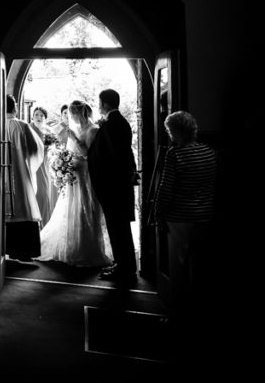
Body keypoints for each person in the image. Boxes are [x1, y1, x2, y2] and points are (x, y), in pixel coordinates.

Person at [152, 111, 217, 327]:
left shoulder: (175, 155)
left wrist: (158, 213)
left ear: (176, 132)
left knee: (177, 268)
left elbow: (165, 189)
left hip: (180, 217)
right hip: (205, 216)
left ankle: (177, 315)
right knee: (201, 267)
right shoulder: (210, 153)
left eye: (170, 131)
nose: (169, 135)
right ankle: (201, 312)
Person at [37, 101, 113, 267]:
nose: (71, 118)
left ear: (81, 113)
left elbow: (89, 154)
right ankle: (70, 244)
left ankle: (86, 247)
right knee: (69, 207)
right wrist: (63, 160)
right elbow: (73, 151)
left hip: (85, 174)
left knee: (84, 206)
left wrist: (73, 138)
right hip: (73, 173)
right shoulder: (78, 128)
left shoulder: (92, 130)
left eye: (73, 114)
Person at [88, 88, 138, 285]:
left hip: (113, 187)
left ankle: (125, 269)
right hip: (116, 186)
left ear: (105, 104)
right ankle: (122, 264)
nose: (98, 105)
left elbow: (115, 157)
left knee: (119, 228)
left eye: (99, 102)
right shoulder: (116, 122)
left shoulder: (114, 124)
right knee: (118, 228)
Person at [4, 95, 43, 259]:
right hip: (20, 174)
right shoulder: (21, 125)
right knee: (23, 204)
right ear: (15, 108)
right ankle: (23, 251)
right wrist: (25, 162)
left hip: (2, 175)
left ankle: (4, 249)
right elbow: (36, 149)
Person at [29, 106, 57, 224]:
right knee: (34, 193)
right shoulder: (28, 128)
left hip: (45, 165)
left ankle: (45, 222)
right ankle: (33, 221)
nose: (39, 117)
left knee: (44, 193)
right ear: (32, 116)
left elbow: (54, 148)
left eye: (41, 115)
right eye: (36, 114)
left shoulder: (49, 131)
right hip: (31, 164)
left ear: (45, 118)